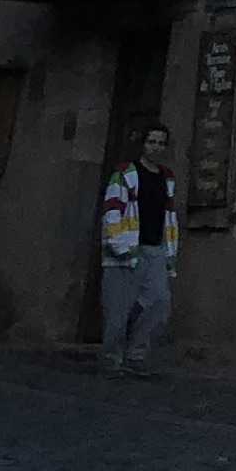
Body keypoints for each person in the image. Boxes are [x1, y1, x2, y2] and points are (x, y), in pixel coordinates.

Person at [98, 123, 179, 376]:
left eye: (161, 143)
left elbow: (168, 215)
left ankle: (136, 355)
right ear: (143, 145)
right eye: (152, 142)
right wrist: (118, 244)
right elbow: (112, 210)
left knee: (159, 303)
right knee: (118, 309)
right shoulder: (125, 174)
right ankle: (111, 360)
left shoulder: (166, 178)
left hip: (155, 249)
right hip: (126, 249)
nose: (156, 147)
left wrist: (170, 252)